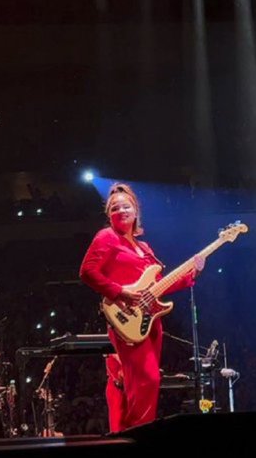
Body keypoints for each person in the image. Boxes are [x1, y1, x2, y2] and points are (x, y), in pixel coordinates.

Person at [80, 183, 205, 432]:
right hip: (126, 318)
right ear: (109, 215)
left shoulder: (144, 248)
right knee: (147, 380)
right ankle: (140, 434)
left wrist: (193, 273)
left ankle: (125, 435)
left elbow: (158, 287)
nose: (121, 210)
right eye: (115, 208)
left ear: (136, 211)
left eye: (126, 206)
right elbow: (87, 272)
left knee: (134, 383)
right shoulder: (106, 237)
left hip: (149, 320)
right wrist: (121, 292)